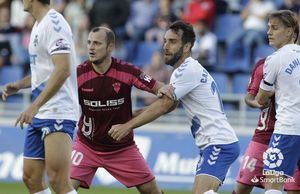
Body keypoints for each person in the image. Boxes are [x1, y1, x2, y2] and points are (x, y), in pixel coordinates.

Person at [108, 20, 240, 194]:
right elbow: (170, 106)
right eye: (165, 41)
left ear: (186, 47)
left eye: (172, 41)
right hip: (216, 143)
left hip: (218, 143)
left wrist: (127, 126)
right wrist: (132, 115)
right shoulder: (185, 70)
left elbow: (164, 106)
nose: (165, 46)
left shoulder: (186, 70)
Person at [70, 26, 170, 194]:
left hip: (121, 149)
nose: (91, 48)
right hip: (86, 146)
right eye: (89, 43)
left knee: (153, 192)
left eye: (97, 43)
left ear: (110, 46)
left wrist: (139, 115)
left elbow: (162, 90)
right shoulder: (78, 74)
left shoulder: (128, 71)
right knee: (63, 189)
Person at [1, 0, 79, 194]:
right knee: (31, 178)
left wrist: (34, 106)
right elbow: (44, 73)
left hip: (58, 111)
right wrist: (19, 85)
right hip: (41, 112)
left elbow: (62, 70)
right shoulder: (38, 24)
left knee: (58, 181)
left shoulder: (54, 24)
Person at [233, 58, 300, 194]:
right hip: (263, 137)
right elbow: (249, 98)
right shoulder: (265, 64)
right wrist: (257, 102)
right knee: (241, 188)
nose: (269, 34)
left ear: (292, 35)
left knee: (293, 190)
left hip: (292, 137)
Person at [255, 10, 300, 194]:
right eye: (268, 28)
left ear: (289, 31)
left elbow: (261, 99)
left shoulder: (274, 59)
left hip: (288, 129)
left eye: (275, 28)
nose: (269, 32)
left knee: (273, 183)